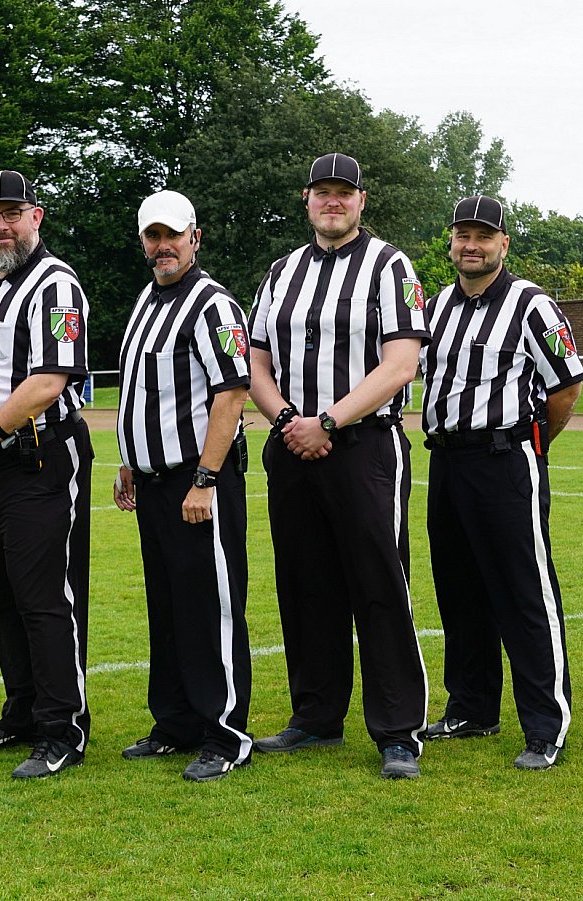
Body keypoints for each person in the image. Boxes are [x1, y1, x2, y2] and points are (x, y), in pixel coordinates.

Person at [247, 152, 431, 779]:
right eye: (322, 192)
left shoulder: (390, 265)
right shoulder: (281, 272)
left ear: (361, 201)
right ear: (306, 199)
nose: (333, 201)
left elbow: (400, 364)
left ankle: (398, 731)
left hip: (363, 446)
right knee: (305, 585)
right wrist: (288, 421)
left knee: (379, 584)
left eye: (343, 193)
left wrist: (327, 422)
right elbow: (256, 364)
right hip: (291, 443)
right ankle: (316, 716)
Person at [418, 196, 583, 771]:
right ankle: (471, 708)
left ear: (503, 244)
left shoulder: (532, 304)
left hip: (505, 458)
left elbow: (566, 387)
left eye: (483, 236)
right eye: (462, 235)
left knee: (524, 592)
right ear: (451, 241)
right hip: (447, 462)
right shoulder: (434, 308)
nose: (472, 245)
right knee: (459, 591)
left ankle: (546, 724)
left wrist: (529, 443)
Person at [0, 170, 93, 779]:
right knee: (1, 595)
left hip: (41, 455)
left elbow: (50, 379)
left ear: (36, 217)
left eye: (12, 214)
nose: (1, 226)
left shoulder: (57, 284)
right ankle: (23, 712)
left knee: (44, 597)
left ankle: (62, 728)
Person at [112, 190, 253, 782]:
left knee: (210, 607)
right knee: (168, 606)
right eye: (153, 235)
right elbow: (143, 391)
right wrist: (129, 460)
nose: (163, 245)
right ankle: (174, 723)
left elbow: (232, 393)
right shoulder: (147, 298)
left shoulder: (213, 305)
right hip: (154, 483)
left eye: (173, 234)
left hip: (197, 482)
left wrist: (205, 479)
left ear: (195, 237)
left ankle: (225, 734)